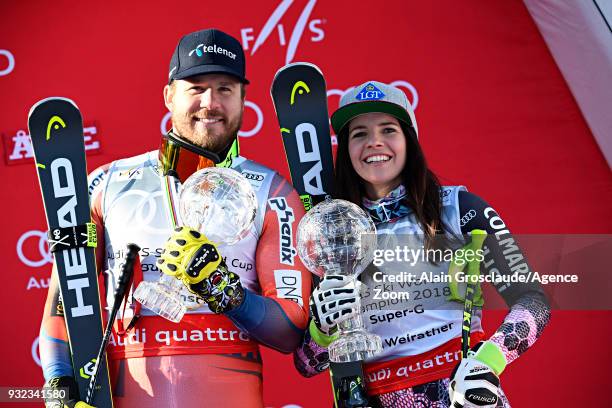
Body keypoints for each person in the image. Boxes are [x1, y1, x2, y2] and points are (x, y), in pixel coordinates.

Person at [40, 28, 311, 408]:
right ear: (169, 95)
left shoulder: (273, 192)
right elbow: (63, 304)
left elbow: (290, 328)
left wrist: (222, 290)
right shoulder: (106, 183)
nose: (210, 102)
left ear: (244, 101)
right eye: (196, 87)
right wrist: (58, 394)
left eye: (225, 89)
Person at [294, 81, 551, 407]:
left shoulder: (459, 208)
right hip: (378, 397)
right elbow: (306, 363)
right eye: (359, 134)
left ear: (409, 140)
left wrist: (489, 360)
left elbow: (533, 299)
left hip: (462, 394)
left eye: (388, 130)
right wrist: (323, 327)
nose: (374, 142)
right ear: (345, 149)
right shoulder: (332, 234)